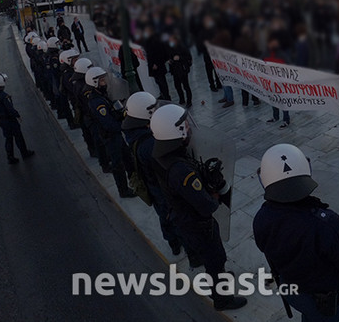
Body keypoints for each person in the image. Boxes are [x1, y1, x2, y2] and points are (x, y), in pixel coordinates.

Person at [253, 144, 339, 322]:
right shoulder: (326, 223)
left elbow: (264, 247)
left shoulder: (261, 217)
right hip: (321, 303)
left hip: (290, 291)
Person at [150, 104, 246, 311]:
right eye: (184, 125)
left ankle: (217, 279)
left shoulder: (161, 155)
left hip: (182, 217)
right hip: (197, 223)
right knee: (215, 258)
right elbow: (206, 206)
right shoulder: (181, 172)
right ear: (174, 131)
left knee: (209, 257)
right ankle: (222, 298)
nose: (188, 127)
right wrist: (215, 194)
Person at [122, 91, 189, 257]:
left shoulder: (134, 132)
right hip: (160, 187)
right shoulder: (149, 144)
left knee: (164, 217)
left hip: (151, 185)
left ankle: (173, 244)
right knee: (174, 218)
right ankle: (186, 248)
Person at [85, 67, 135, 198]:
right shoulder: (97, 102)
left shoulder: (101, 95)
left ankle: (135, 180)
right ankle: (123, 190)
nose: (105, 83)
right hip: (110, 137)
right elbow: (108, 123)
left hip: (115, 135)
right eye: (101, 81)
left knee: (127, 157)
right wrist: (123, 125)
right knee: (118, 164)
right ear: (94, 82)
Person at [0, 73, 34, 164]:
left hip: (1, 121)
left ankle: (10, 157)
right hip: (10, 120)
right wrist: (17, 115)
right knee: (18, 136)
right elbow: (10, 109)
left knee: (8, 138)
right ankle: (24, 153)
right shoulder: (4, 96)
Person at [264, 37, 291, 128]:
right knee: (273, 100)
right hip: (270, 83)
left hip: (280, 83)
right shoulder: (265, 54)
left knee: (283, 101)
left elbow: (288, 67)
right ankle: (275, 116)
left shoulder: (282, 55)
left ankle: (286, 120)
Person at [167, 35, 193, 108]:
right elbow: (170, 56)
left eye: (171, 40)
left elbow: (189, 57)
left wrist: (180, 58)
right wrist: (170, 61)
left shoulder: (182, 47)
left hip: (182, 70)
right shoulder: (170, 48)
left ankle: (189, 101)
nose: (170, 42)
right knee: (177, 86)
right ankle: (182, 99)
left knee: (186, 86)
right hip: (175, 70)